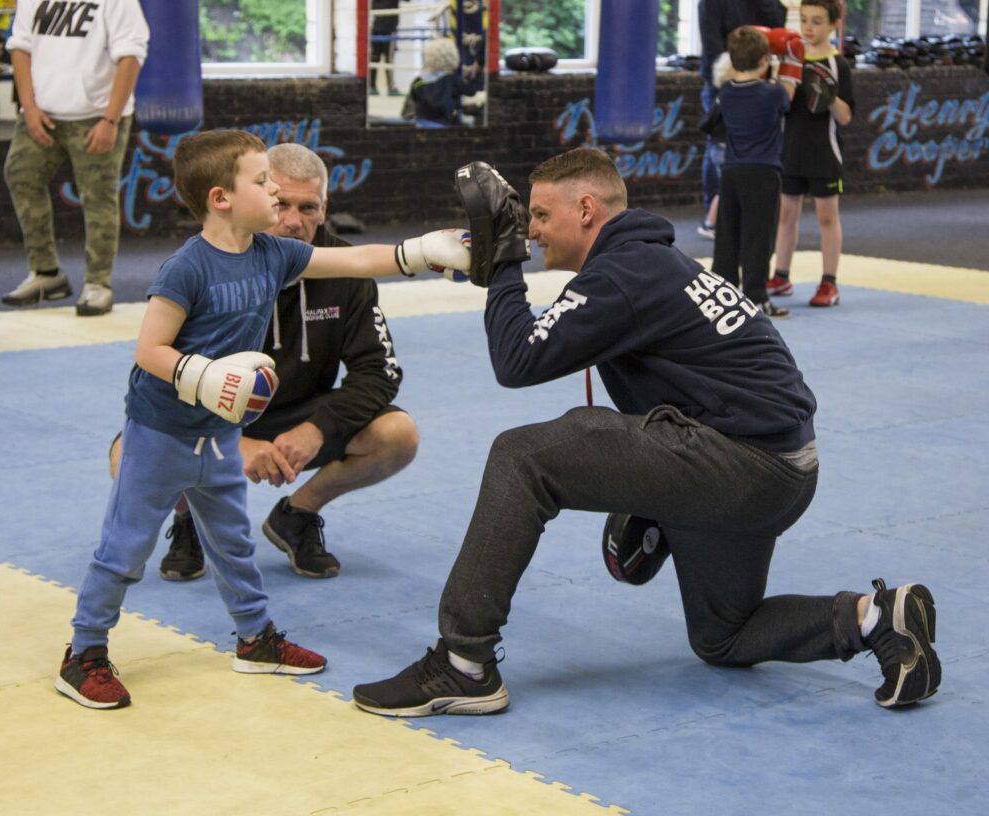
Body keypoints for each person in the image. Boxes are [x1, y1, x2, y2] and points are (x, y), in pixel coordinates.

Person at [352, 148, 940, 717]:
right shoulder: (648, 263)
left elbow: (517, 362)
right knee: (724, 637)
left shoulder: (625, 274)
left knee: (522, 457)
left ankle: (464, 664)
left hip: (741, 462)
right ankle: (875, 619)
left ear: (586, 209)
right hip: (779, 468)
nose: (530, 231)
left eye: (538, 215)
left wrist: (504, 266)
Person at [56, 129, 469, 709]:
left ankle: (256, 640)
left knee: (232, 545)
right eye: (263, 182)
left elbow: (352, 258)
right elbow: (149, 349)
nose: (275, 192)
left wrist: (423, 251)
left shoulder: (274, 255)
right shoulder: (186, 268)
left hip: (218, 436)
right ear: (222, 198)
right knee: (124, 549)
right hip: (163, 431)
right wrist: (203, 377)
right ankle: (85, 652)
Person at [109, 142, 419, 583]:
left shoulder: (340, 269)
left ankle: (297, 515)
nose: (293, 221)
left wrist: (318, 429)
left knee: (397, 435)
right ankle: (189, 519)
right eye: (282, 202)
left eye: (308, 207)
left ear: (325, 207)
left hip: (301, 411)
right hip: (214, 415)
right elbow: (158, 371)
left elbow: (379, 371)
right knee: (127, 453)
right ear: (259, 197)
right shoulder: (205, 265)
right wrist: (232, 443)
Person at [0, 0, 148, 316]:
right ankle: (46, 274)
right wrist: (29, 107)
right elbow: (20, 47)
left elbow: (131, 56)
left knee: (97, 197)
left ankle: (98, 284)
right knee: (20, 175)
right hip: (42, 111)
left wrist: (110, 120)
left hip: (96, 115)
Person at [769, 0, 854, 307]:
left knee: (826, 216)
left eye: (817, 21)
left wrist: (828, 95)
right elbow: (781, 103)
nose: (808, 27)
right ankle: (781, 275)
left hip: (824, 152)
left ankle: (829, 283)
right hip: (791, 148)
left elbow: (845, 116)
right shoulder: (792, 58)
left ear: (833, 24)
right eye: (804, 20)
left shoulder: (838, 64)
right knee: (786, 214)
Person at [712, 26, 801, 319]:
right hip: (763, 173)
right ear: (764, 60)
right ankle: (756, 297)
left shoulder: (725, 92)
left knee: (728, 236)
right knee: (758, 237)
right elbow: (789, 93)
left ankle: (721, 298)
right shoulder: (772, 93)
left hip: (731, 174)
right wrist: (791, 58)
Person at [698, 0, 786, 238]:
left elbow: (778, 23)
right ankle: (717, 215)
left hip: (757, 79)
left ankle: (743, 213)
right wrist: (732, 78)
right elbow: (712, 46)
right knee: (720, 145)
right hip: (723, 80)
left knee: (748, 148)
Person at [407, 37, 464, 128]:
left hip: (422, 124)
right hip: (446, 124)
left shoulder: (419, 81)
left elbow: (414, 96)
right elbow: (469, 90)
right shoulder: (453, 80)